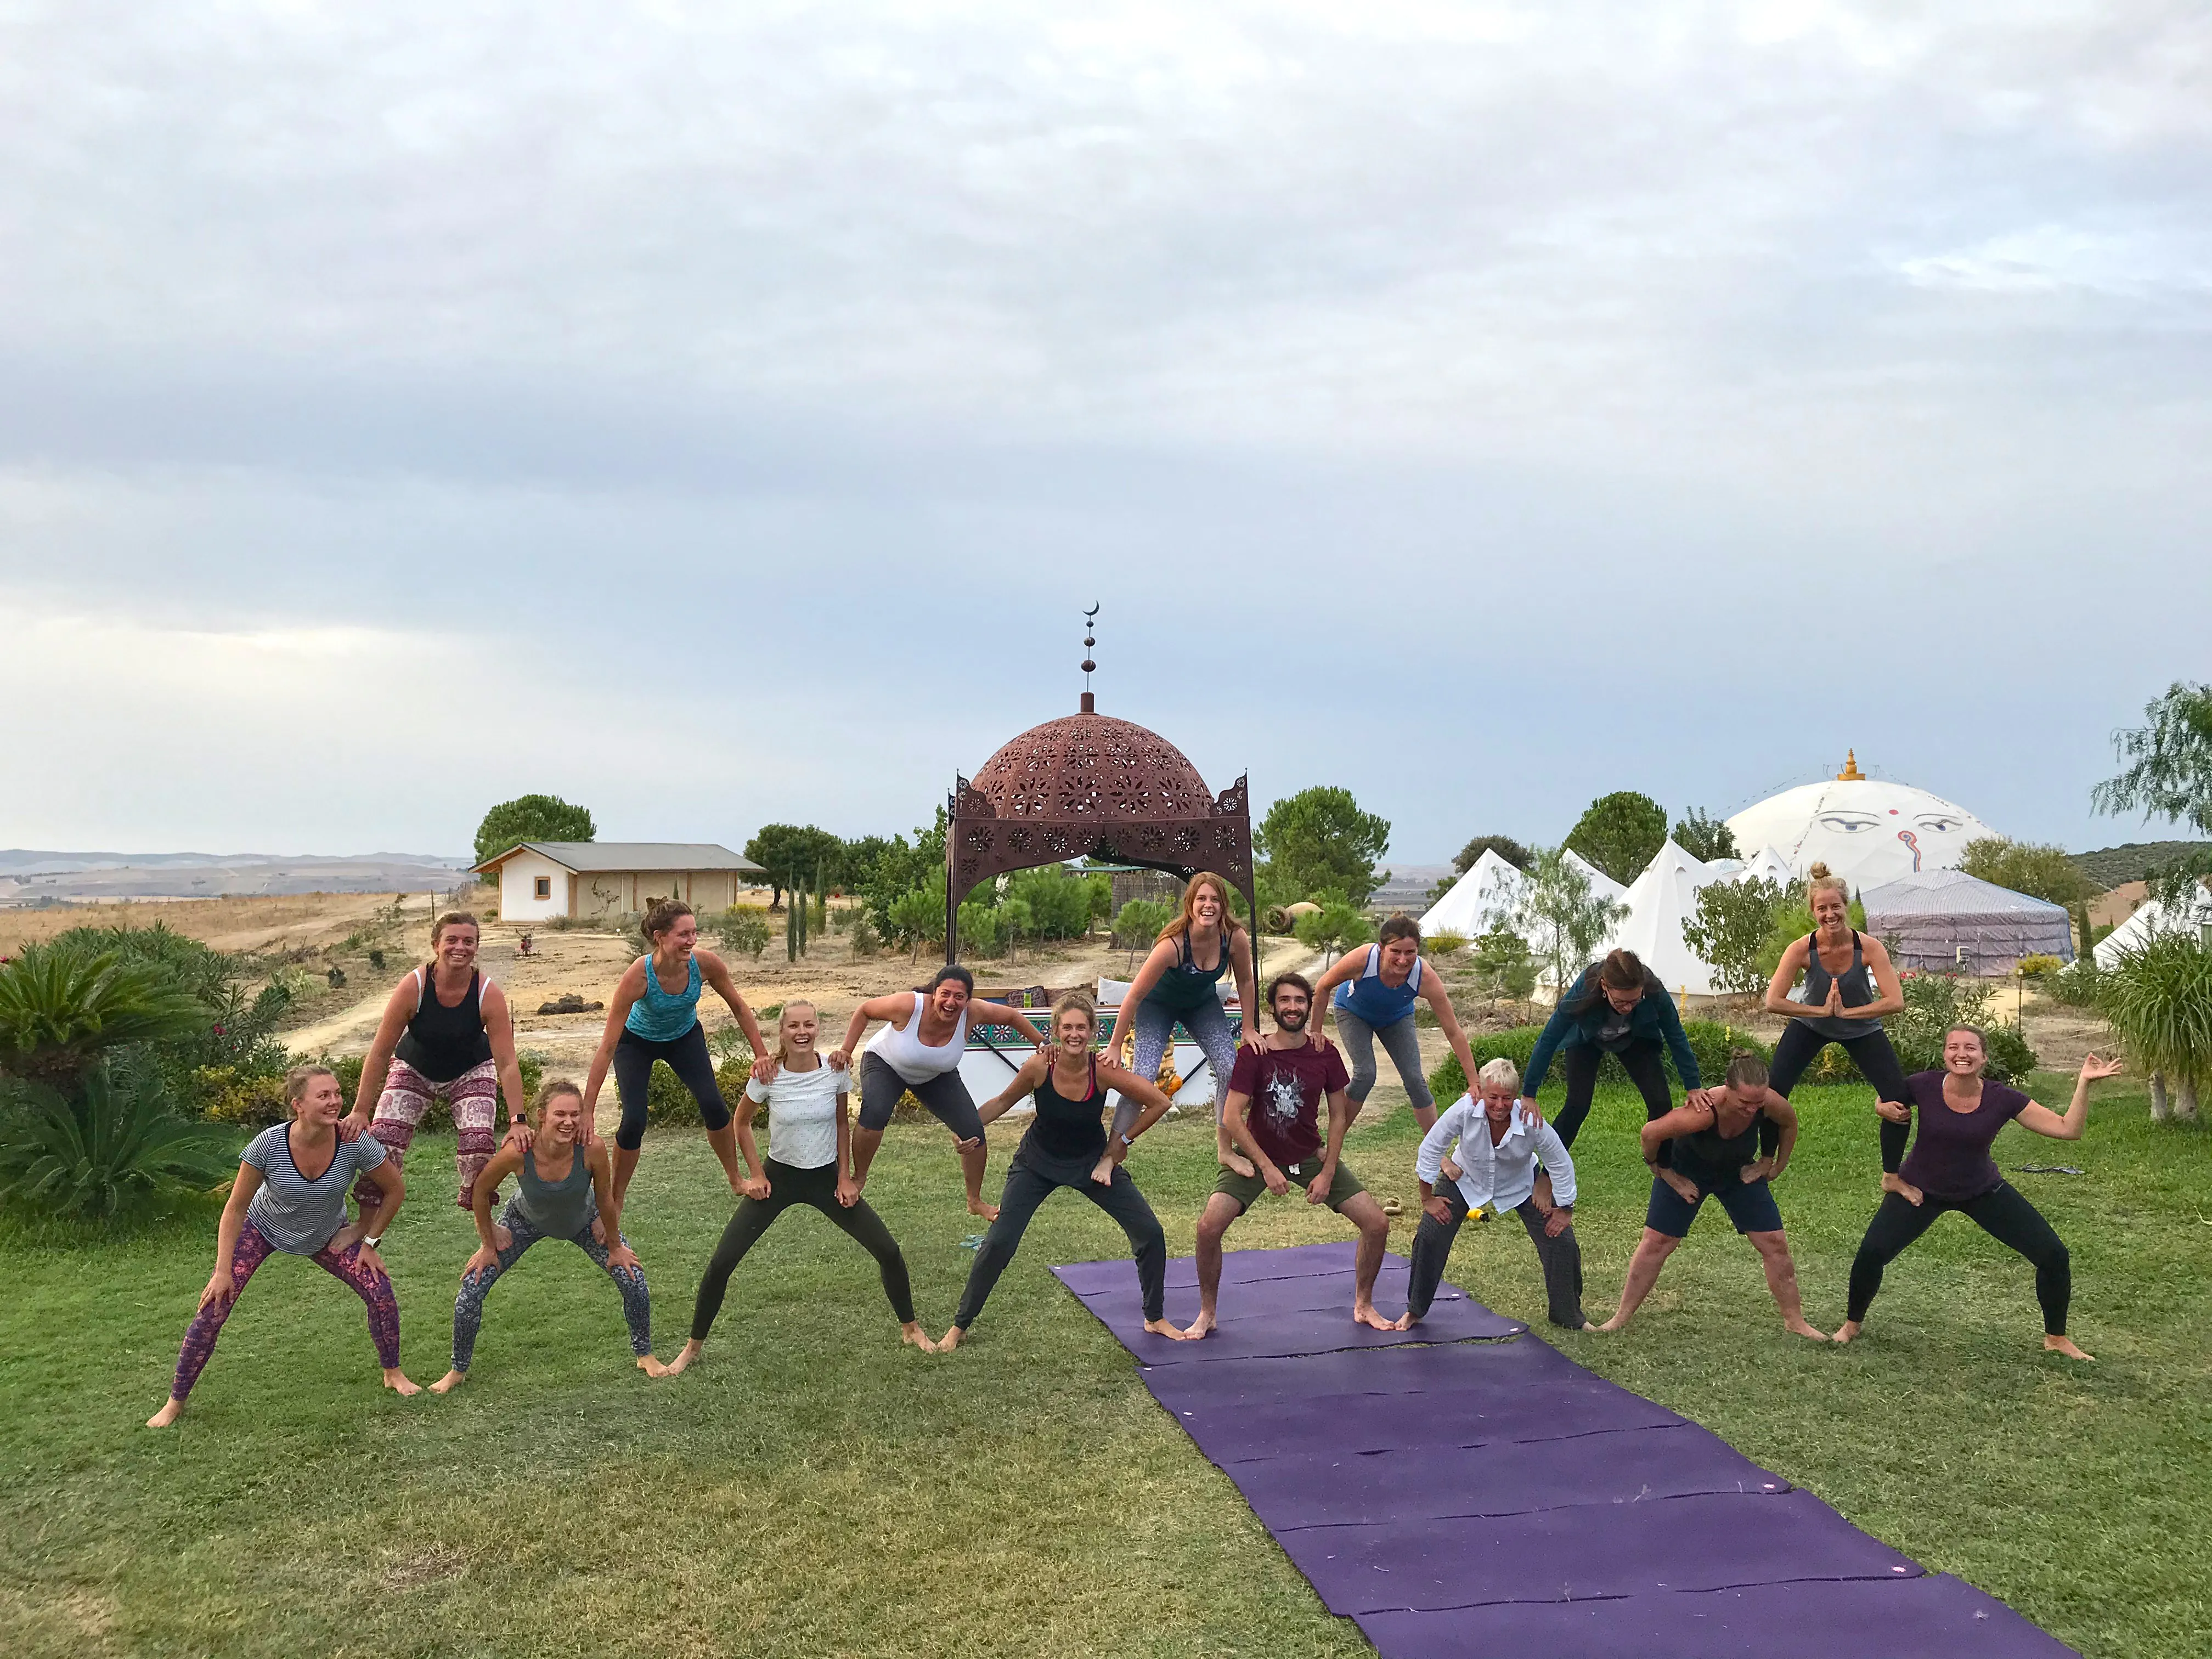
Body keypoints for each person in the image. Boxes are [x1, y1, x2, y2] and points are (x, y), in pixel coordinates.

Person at [149, 1066, 413, 1426]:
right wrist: (222, 1270)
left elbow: (395, 1189)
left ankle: (393, 1373)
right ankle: (175, 1402)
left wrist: (367, 1238)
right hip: (263, 1228)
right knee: (214, 1306)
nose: (335, 1101)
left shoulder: (354, 1142)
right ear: (298, 1105)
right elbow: (236, 1207)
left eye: (338, 1093)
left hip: (325, 1235)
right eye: (324, 1096)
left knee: (379, 1290)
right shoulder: (269, 1144)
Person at [672, 1001, 932, 1368]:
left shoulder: (835, 1070)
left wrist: (846, 1175)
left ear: (818, 1028)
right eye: (793, 1026)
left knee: (888, 1250)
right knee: (722, 1261)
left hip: (826, 1178)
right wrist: (755, 1175)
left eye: (808, 1024)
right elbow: (741, 1123)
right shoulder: (768, 1075)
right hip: (780, 1177)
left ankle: (911, 1328)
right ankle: (692, 1348)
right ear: (781, 1033)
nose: (801, 1032)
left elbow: (842, 1124)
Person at [1837, 1034, 2120, 1360]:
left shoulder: (2003, 1098)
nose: (1961, 1054)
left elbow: (2068, 1129)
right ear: (1944, 1054)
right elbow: (1888, 1102)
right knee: (1871, 1253)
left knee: (2054, 1255)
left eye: (1970, 1048)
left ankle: (2056, 1338)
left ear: (1984, 1058)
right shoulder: (1923, 1085)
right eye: (1953, 1048)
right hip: (1920, 1189)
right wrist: (1879, 1105)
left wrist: (2083, 1083)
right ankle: (1852, 1325)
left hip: (1981, 1190)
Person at [938, 992, 1187, 1351]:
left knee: (1149, 1231)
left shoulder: (1102, 1070)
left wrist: (1120, 1146)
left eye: (1081, 1028)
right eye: (1067, 1027)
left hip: (1091, 1164)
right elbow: (1003, 1102)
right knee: (1000, 1243)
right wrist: (968, 1128)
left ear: (1093, 1032)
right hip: (1037, 1164)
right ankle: (958, 1327)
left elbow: (1160, 1101)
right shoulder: (1039, 1068)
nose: (1074, 1034)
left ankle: (1155, 1317)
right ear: (1054, 1030)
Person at [1191, 973, 1395, 1336]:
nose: (1292, 1007)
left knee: (1377, 1224)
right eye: (1285, 1000)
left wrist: (1328, 1170)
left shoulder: (1325, 1053)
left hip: (1308, 1153)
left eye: (1300, 1001)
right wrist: (1267, 1168)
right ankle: (1208, 1313)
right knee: (1208, 1228)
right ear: (1273, 1008)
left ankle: (1364, 1305)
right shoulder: (1254, 1053)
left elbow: (1338, 1115)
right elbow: (1231, 1117)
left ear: (1308, 1007)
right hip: (1257, 1156)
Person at [431, 1078, 662, 1392]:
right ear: (541, 1115)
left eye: (575, 1114)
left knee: (633, 1279)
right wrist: (488, 1243)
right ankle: (457, 1371)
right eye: (560, 1114)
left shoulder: (591, 1149)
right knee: (471, 1291)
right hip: (525, 1220)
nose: (569, 1122)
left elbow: (605, 1198)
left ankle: (645, 1354)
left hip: (584, 1219)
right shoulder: (518, 1152)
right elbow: (481, 1192)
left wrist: (615, 1243)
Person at [1594, 1051, 1824, 1340]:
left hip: (1737, 1173)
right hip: (1687, 1172)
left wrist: (1772, 1164)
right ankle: (1620, 1317)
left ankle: (1795, 1321)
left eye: (1758, 1103)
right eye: (1744, 1103)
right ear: (1727, 1089)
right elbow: (1650, 1134)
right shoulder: (1701, 1114)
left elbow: (1789, 1123)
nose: (1752, 1110)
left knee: (1775, 1244)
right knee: (1657, 1243)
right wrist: (1665, 1173)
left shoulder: (1767, 1102)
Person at [341, 911, 532, 1226]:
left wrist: (518, 1122)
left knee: (478, 1143)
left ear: (477, 947)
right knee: (382, 1140)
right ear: (436, 945)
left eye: (468, 941)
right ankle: (364, 1229)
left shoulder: (488, 994)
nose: (460, 947)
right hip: (414, 1067)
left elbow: (508, 1063)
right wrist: (361, 1109)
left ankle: (485, 1230)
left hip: (471, 1069)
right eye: (452, 940)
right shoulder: (413, 986)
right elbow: (379, 1052)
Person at [582, 900, 769, 1207]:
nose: (692, 941)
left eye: (695, 933)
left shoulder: (705, 964)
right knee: (634, 1121)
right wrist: (588, 1109)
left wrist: (761, 1054)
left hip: (684, 1038)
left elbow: (738, 1006)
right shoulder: (638, 976)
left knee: (715, 1107)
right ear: (660, 936)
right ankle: (616, 1199)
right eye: (684, 935)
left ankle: (736, 1180)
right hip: (636, 1042)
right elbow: (607, 1047)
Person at [827, 964, 1047, 1222]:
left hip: (935, 1074)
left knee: (972, 1132)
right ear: (934, 993)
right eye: (945, 994)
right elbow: (865, 1010)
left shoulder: (974, 1013)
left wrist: (1043, 1043)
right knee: (875, 1112)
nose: (951, 1002)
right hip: (886, 1063)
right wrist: (846, 1049)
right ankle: (859, 1177)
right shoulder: (909, 1005)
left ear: (968, 1000)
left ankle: (974, 1201)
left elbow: (1012, 1017)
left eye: (959, 997)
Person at [1401, 1057, 1587, 1331]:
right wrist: (1427, 1199)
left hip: (1520, 1183)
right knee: (1430, 1235)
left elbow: (1559, 1159)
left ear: (1516, 1097)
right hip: (1466, 1179)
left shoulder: (1529, 1118)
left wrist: (1565, 1208)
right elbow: (1431, 1148)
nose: (1500, 1106)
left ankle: (1568, 1314)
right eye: (1493, 1097)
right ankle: (1415, 1310)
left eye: (1507, 1098)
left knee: (1561, 1240)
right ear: (1481, 1092)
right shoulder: (1465, 1109)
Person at [1762, 863, 1914, 1195]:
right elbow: (1773, 1001)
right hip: (1810, 1027)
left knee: (1898, 1101)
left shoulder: (1869, 948)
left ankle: (1892, 1175)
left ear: (1847, 907)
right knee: (1769, 1095)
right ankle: (1765, 1160)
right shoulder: (1802, 949)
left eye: (1836, 907)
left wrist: (1848, 1013)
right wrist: (1820, 1011)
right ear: (1812, 912)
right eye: (1822, 909)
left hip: (1861, 1029)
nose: (1830, 914)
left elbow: (1895, 1001)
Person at [1101, 872, 1259, 1176]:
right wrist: (1115, 1045)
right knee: (1143, 1080)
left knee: (1231, 1067)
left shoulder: (1234, 938)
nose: (1208, 906)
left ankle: (1225, 1151)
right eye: (1201, 899)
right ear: (1190, 905)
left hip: (1201, 1004)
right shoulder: (1173, 945)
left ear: (1224, 905)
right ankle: (1110, 1156)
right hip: (1157, 1006)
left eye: (1215, 899)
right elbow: (1133, 997)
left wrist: (1249, 1028)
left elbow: (1247, 981)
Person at [1522, 949, 1711, 1169]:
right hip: (1586, 1040)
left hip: (1635, 1039)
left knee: (1661, 1103)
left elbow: (1675, 1034)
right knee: (1577, 1105)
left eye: (1635, 1000)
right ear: (1605, 987)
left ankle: (1664, 1167)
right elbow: (1549, 1038)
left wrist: (1693, 1085)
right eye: (1621, 1002)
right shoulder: (1585, 988)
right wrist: (1529, 1093)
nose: (1628, 1008)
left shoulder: (1653, 990)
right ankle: (1550, 1171)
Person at [1310, 915, 1482, 1135]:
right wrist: (1315, 1031)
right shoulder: (1363, 959)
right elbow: (1323, 986)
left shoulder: (1425, 977)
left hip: (1396, 1018)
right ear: (1382, 948)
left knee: (1415, 1080)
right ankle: (1334, 1142)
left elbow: (1453, 1031)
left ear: (1418, 950)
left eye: (1410, 952)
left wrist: (1474, 1081)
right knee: (1366, 1074)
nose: (1403, 960)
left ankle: (1435, 1151)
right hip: (1353, 1012)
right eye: (1396, 952)